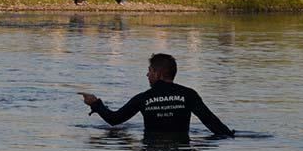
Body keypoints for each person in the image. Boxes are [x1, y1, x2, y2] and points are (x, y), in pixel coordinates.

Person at [79, 53, 234, 136]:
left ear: (158, 74)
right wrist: (231, 135)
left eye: (150, 71)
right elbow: (214, 125)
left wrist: (95, 103)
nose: (147, 75)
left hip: (151, 146)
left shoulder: (144, 98)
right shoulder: (188, 95)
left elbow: (114, 119)